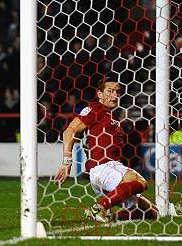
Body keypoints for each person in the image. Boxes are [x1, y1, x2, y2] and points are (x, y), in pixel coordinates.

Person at [54, 76, 157, 222]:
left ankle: (112, 216)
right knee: (140, 182)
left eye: (117, 92)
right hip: (102, 167)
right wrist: (67, 162)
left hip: (114, 167)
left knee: (151, 212)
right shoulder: (95, 108)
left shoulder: (111, 115)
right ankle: (98, 209)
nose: (115, 95)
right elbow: (69, 131)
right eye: (110, 91)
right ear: (100, 94)